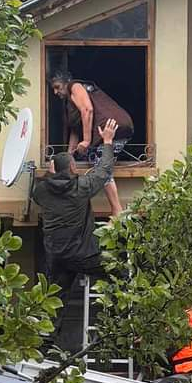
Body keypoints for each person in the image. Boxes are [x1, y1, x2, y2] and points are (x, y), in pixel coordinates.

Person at [32, 118, 119, 349]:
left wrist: (52, 174)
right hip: (84, 255)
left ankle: (45, 347)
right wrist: (108, 141)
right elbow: (104, 170)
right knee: (120, 272)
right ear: (72, 168)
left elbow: (37, 191)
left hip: (57, 257)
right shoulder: (80, 187)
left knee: (55, 301)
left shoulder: (42, 192)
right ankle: (121, 324)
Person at [50, 71, 134, 218]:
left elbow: (87, 110)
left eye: (57, 87)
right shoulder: (70, 103)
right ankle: (117, 209)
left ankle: (117, 210)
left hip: (112, 127)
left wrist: (87, 141)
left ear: (65, 82)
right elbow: (75, 130)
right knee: (96, 160)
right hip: (115, 128)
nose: (55, 92)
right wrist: (69, 156)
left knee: (101, 165)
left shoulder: (74, 86)